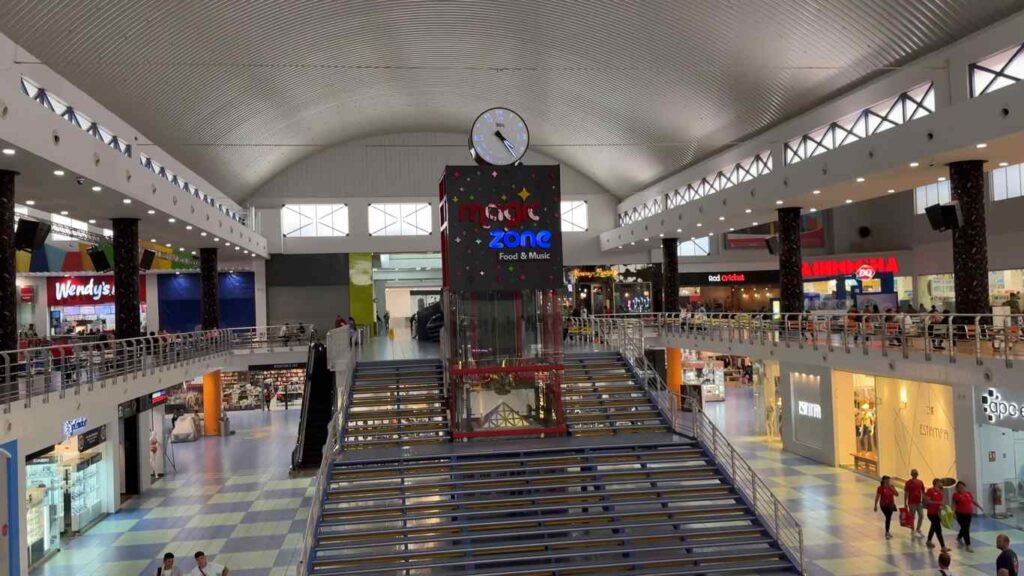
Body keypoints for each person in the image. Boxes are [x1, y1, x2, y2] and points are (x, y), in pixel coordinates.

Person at [952, 480, 982, 552]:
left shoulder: (968, 493)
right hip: (960, 514)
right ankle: (968, 545)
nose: (961, 488)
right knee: (965, 529)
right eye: (959, 487)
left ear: (965, 487)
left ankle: (959, 537)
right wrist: (953, 513)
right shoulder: (956, 495)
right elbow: (953, 504)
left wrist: (979, 506)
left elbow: (973, 501)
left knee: (965, 528)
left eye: (962, 487)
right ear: (957, 488)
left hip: (968, 514)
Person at [926, 478, 951, 552]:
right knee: (938, 530)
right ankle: (943, 547)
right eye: (940, 482)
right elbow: (928, 501)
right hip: (931, 513)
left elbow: (940, 503)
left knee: (933, 527)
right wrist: (938, 503)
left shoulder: (941, 492)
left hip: (937, 513)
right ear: (936, 483)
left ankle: (929, 541)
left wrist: (943, 508)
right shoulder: (930, 490)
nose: (942, 484)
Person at [873, 475, 899, 539]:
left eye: (888, 480)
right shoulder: (880, 488)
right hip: (883, 505)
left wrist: (892, 489)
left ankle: (887, 532)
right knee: (888, 517)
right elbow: (877, 497)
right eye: (886, 480)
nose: (888, 481)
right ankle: (887, 532)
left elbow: (897, 494)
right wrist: (875, 505)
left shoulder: (891, 487)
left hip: (891, 505)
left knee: (888, 518)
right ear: (883, 480)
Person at [905, 469, 926, 537]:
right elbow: (906, 492)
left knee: (921, 515)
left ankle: (918, 529)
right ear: (911, 474)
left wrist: (924, 500)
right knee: (912, 517)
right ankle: (912, 530)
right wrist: (905, 502)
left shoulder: (920, 482)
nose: (915, 474)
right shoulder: (908, 482)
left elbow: (923, 491)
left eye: (916, 473)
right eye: (914, 473)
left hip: (919, 502)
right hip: (911, 502)